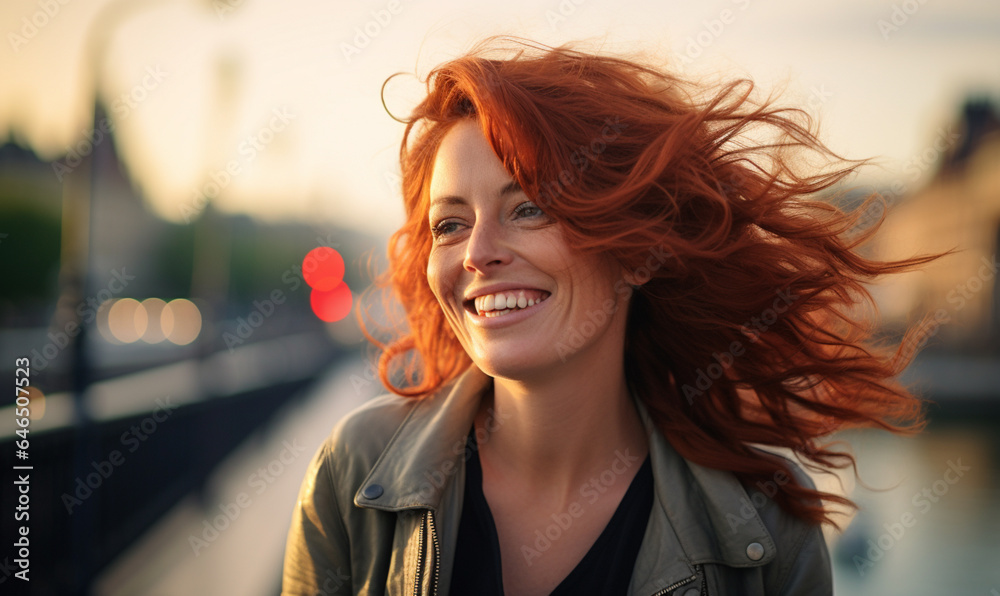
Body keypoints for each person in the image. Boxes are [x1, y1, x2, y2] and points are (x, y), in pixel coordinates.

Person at [281, 36, 949, 595]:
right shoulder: (355, 475)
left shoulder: (766, 528)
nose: (478, 254)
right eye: (450, 224)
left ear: (636, 253)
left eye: (529, 209)